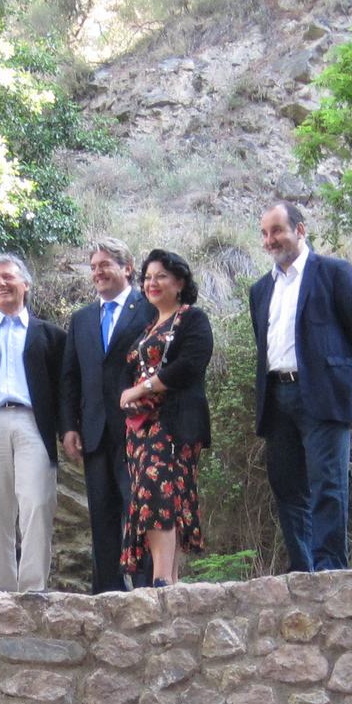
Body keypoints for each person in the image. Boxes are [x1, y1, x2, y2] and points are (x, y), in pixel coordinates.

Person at [249, 201, 352, 573]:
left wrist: (336, 379)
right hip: (276, 397)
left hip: (322, 396)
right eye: (264, 233)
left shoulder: (334, 273)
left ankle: (329, 568)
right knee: (288, 489)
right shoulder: (260, 290)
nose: (270, 239)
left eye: (277, 230)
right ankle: (302, 568)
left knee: (328, 484)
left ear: (300, 230)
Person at [0, 255, 67, 591]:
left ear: (26, 284)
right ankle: (0, 595)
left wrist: (66, 429)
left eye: (7, 277)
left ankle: (33, 589)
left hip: (34, 424)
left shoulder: (51, 336)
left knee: (37, 503)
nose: (1, 284)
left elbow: (63, 389)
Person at [60, 239, 155, 592]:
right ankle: (107, 591)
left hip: (139, 429)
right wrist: (69, 426)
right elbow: (70, 378)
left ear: (127, 268)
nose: (98, 272)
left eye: (105, 265)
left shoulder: (146, 309)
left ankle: (145, 586)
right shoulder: (82, 319)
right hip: (95, 431)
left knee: (139, 507)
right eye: (94, 266)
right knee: (101, 513)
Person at [117, 250, 214, 586]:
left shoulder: (192, 319)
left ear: (180, 282)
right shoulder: (147, 328)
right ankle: (169, 581)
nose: (151, 283)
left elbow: (190, 365)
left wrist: (142, 388)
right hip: (140, 429)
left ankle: (160, 578)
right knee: (153, 494)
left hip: (175, 423)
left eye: (160, 276)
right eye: (147, 277)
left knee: (162, 491)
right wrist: (132, 396)